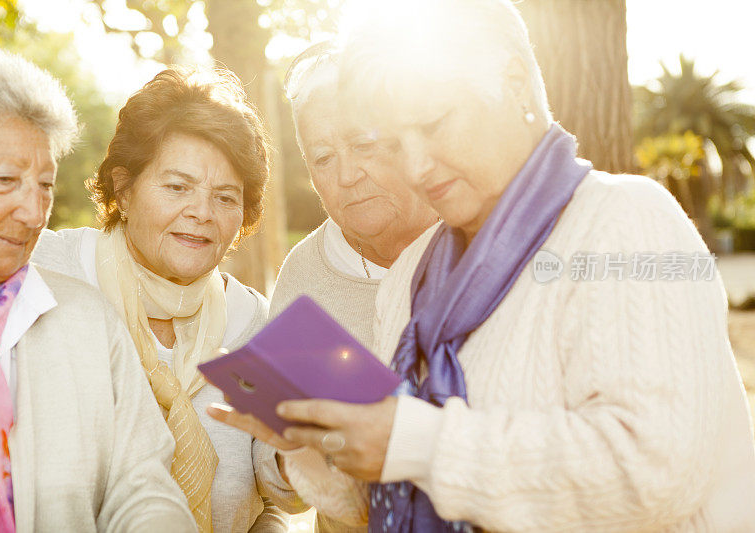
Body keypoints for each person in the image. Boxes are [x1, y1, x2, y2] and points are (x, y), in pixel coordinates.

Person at [210, 0, 755, 531]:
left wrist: (418, 442)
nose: (417, 165)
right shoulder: (413, 274)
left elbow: (653, 477)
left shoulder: (627, 222)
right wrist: (314, 441)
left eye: (436, 123)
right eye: (397, 141)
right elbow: (386, 500)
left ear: (515, 84)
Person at [32, 67, 300, 532]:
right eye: (177, 187)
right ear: (124, 188)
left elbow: (269, 499)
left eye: (225, 197)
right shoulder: (43, 275)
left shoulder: (253, 322)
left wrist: (301, 457)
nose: (201, 213)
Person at [0, 45, 194, 531]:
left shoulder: (85, 318)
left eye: (44, 184)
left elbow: (141, 488)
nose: (32, 212)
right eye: (5, 180)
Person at [269, 44, 439, 532]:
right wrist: (291, 455)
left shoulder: (472, 234)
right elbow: (279, 472)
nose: (346, 175)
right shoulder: (304, 275)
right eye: (323, 158)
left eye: (363, 145)